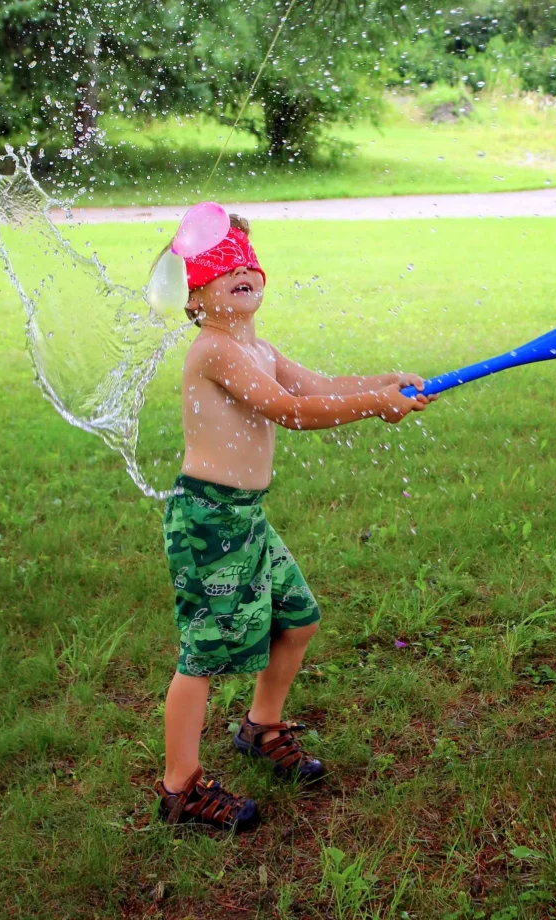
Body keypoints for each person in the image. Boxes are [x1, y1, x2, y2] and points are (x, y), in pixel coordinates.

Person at [154, 212, 439, 831]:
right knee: (202, 656)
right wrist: (375, 406)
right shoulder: (214, 350)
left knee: (299, 619)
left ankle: (260, 726)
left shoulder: (257, 348)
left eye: (245, 264)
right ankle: (179, 787)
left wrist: (385, 383)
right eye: (220, 268)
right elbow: (291, 411)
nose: (239, 271)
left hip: (245, 516)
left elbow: (321, 386)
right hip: (209, 521)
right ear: (193, 296)